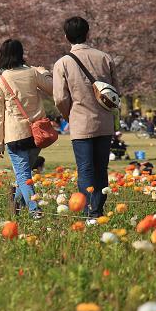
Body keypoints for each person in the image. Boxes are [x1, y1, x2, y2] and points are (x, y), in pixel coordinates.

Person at [53, 17, 117, 222]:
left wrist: (67, 114)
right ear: (88, 33)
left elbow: (60, 98)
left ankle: (89, 211)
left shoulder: (63, 63)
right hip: (105, 122)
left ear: (66, 36)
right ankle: (98, 208)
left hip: (80, 122)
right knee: (101, 167)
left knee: (85, 168)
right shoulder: (104, 57)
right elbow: (116, 91)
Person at [0, 39, 53, 220]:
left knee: (23, 174)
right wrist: (45, 72)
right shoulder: (33, 73)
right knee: (24, 174)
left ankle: (35, 211)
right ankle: (16, 203)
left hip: (15, 135)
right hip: (37, 133)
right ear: (21, 54)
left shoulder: (0, 81)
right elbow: (53, 89)